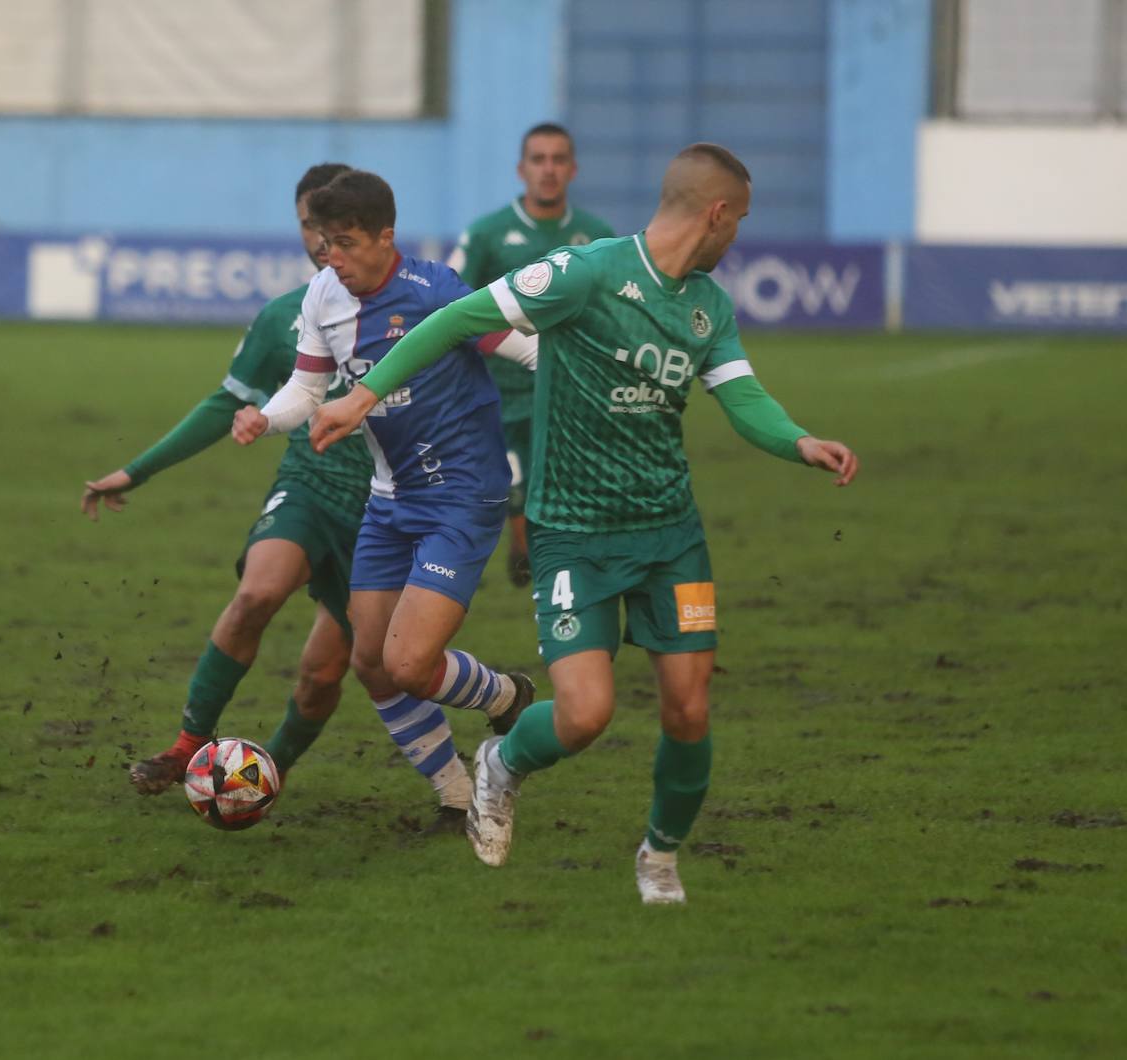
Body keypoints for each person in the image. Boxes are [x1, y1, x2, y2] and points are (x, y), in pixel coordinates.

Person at [310, 144, 860, 903]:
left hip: (670, 535)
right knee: (585, 713)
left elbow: (743, 398)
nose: (739, 237)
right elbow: (453, 320)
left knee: (689, 706)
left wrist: (799, 440)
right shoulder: (585, 273)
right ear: (717, 213)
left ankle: (660, 858)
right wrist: (362, 396)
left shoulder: (709, 306)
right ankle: (501, 766)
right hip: (573, 531)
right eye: (741, 222)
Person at [231, 169, 540, 830]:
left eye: (344, 242)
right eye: (322, 241)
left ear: (385, 237)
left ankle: (507, 693)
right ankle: (457, 792)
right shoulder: (322, 296)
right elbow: (305, 389)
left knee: (408, 662)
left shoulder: (438, 292)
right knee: (372, 664)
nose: (330, 256)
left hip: (462, 498)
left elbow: (528, 349)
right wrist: (266, 416)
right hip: (389, 498)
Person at [81, 162, 376, 796]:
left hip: (386, 509)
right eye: (310, 225)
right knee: (255, 597)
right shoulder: (284, 317)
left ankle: (260, 776)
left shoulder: (412, 309)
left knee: (324, 675)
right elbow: (225, 404)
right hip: (311, 484)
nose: (322, 239)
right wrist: (137, 470)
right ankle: (186, 746)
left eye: (336, 227)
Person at [447, 123, 615, 586]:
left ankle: (550, 565)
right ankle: (518, 553)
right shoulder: (487, 234)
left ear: (573, 169)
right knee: (511, 490)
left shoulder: (597, 237)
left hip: (565, 394)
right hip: (494, 392)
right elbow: (449, 300)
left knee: (560, 495)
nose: (548, 169)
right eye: (538, 159)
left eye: (558, 160)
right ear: (522, 169)